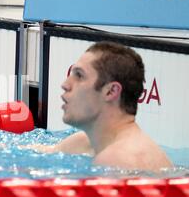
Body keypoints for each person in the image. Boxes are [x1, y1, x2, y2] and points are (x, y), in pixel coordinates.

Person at [29, 41, 172, 172]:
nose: (65, 84)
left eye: (79, 76)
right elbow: (35, 151)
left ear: (111, 91)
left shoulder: (119, 161)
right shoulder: (86, 142)